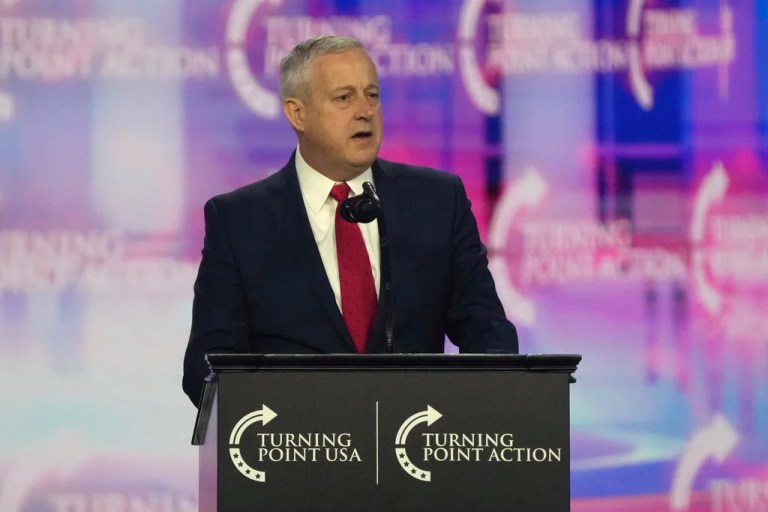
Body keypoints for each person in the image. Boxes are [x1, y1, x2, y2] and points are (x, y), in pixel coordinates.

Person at [182, 35, 518, 407]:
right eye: (344, 98)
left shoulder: (437, 201)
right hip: (297, 451)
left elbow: (488, 331)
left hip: (417, 443)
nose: (365, 111)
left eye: (372, 95)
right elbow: (206, 365)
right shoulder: (240, 221)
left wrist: (477, 411)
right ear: (298, 113)